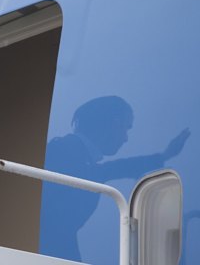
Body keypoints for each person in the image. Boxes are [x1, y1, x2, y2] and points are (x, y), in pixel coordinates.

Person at [39, 96, 190, 261]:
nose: (125, 138)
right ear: (114, 124)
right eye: (126, 128)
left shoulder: (81, 158)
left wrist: (164, 156)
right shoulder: (65, 151)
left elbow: (116, 168)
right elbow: (50, 219)